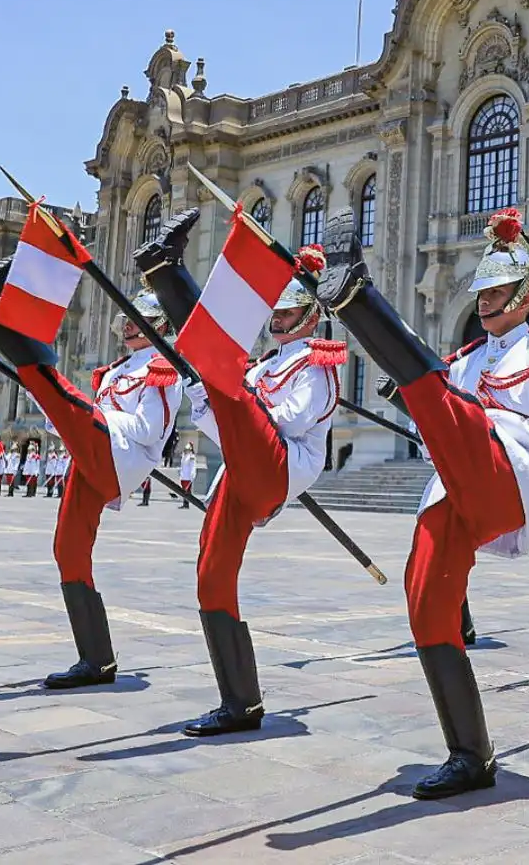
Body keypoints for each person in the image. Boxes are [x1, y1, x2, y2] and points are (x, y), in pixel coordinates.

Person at [316, 205, 529, 799]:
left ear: (526, 295)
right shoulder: (464, 360)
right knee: (425, 604)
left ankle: (357, 299)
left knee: (445, 399)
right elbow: (443, 417)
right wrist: (433, 404)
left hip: (514, 479)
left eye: (497, 291)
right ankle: (470, 755)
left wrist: (481, 416)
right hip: (455, 484)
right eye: (482, 292)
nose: (485, 301)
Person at [135, 208, 343, 737]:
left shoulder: (318, 362)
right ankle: (240, 702)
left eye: (286, 314)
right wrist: (208, 394)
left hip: (279, 465)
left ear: (310, 316)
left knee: (218, 361)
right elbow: (217, 423)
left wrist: (233, 392)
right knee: (210, 577)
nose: (275, 321)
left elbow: (292, 421)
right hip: (241, 465)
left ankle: (168, 271)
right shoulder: (263, 366)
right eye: (274, 315)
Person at [0, 260, 180, 689]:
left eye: (143, 323)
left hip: (123, 456)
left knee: (55, 385)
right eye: (129, 323)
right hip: (93, 450)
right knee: (67, 549)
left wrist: (97, 417)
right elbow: (73, 415)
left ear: (161, 326)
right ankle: (96, 659)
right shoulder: (117, 371)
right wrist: (71, 418)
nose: (132, 330)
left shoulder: (162, 367)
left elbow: (150, 431)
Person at [178, 440, 200, 509]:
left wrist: (192, 476)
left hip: (188, 477)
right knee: (184, 491)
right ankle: (184, 503)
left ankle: (186, 504)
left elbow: (192, 467)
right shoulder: (184, 456)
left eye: (187, 449)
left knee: (187, 491)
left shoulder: (191, 457)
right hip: (183, 476)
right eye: (185, 449)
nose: (186, 450)